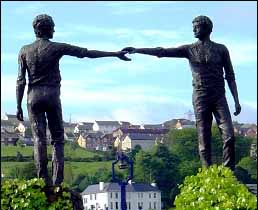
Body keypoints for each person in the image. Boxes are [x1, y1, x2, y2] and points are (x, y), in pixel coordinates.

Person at [16, 14, 130, 186]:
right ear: (48, 29)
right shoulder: (56, 47)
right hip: (52, 95)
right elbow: (86, 53)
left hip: (33, 97)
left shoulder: (24, 50)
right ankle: (57, 181)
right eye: (53, 27)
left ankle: (42, 179)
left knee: (39, 139)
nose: (54, 30)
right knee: (57, 139)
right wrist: (114, 54)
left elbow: (20, 80)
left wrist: (18, 105)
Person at [122, 15, 241, 171]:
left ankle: (228, 173)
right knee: (204, 141)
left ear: (207, 28)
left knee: (229, 136)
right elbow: (162, 52)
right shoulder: (189, 49)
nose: (193, 29)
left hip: (219, 96)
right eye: (193, 27)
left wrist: (236, 100)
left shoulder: (221, 49)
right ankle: (207, 174)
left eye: (197, 26)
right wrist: (138, 50)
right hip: (201, 96)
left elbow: (230, 75)